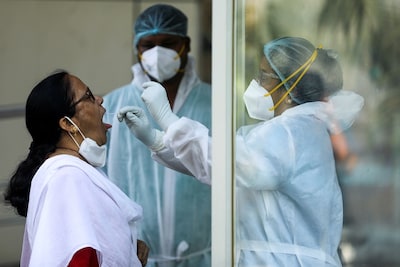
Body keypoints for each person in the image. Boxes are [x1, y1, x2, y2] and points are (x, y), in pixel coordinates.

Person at [118, 37, 364, 266]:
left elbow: (226, 165)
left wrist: (169, 120)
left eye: (264, 75)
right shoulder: (295, 130)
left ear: (289, 87)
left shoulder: (290, 134)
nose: (256, 82)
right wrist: (157, 140)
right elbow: (219, 165)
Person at [102, 4, 212, 267]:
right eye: (147, 45)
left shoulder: (216, 103)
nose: (156, 53)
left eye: (167, 43)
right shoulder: (112, 106)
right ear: (137, 49)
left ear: (185, 44)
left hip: (205, 257)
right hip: (135, 257)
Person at [4, 70, 149, 267]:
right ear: (68, 124)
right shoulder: (66, 176)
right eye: (88, 97)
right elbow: (75, 256)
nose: (100, 100)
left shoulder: (76, 171)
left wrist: (129, 246)